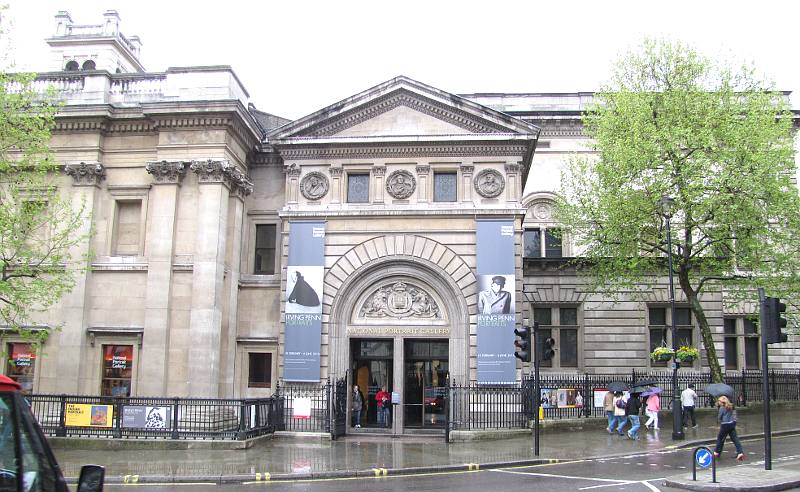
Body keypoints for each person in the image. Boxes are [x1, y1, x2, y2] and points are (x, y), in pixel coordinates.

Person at [713, 396, 745, 461]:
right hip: (731, 424)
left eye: (719, 401)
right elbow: (734, 414)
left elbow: (719, 417)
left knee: (720, 438)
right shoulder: (731, 406)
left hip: (725, 425)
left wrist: (718, 411)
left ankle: (716, 452)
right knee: (735, 439)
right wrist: (735, 421)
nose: (718, 402)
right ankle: (740, 452)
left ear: (722, 402)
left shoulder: (722, 408)